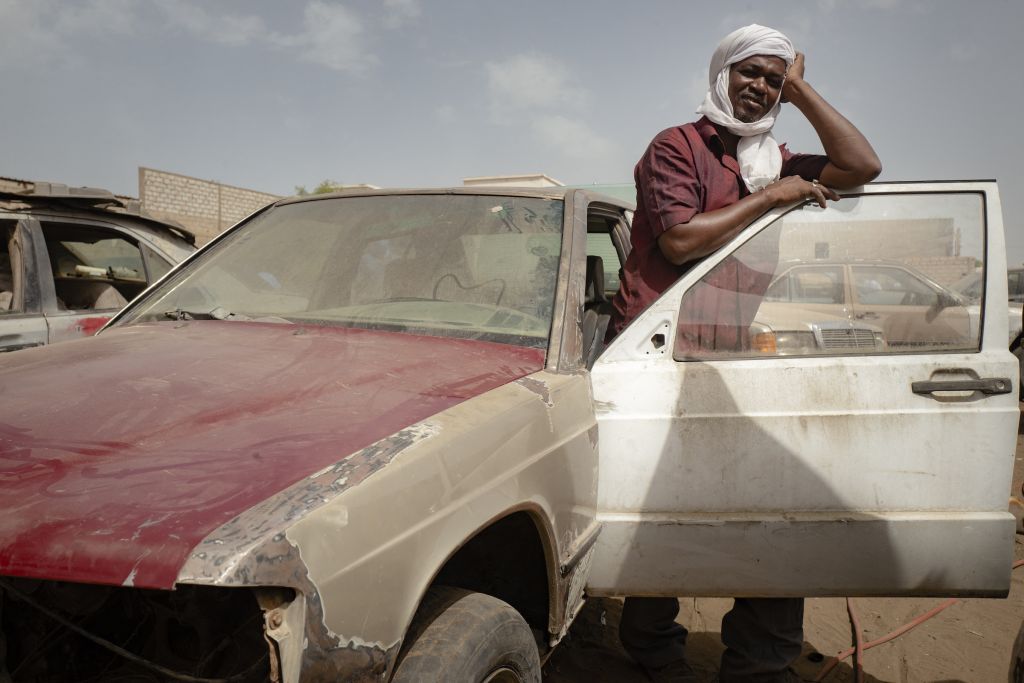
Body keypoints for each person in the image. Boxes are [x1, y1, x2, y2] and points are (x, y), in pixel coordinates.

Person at [609, 24, 881, 683]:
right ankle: (652, 650)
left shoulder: (774, 160)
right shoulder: (677, 147)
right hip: (656, 353)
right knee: (660, 504)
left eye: (773, 78)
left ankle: (760, 663)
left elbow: (862, 167)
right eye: (749, 72)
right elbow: (679, 243)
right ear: (722, 73)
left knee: (769, 506)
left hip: (731, 358)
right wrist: (774, 197)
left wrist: (804, 90)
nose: (759, 87)